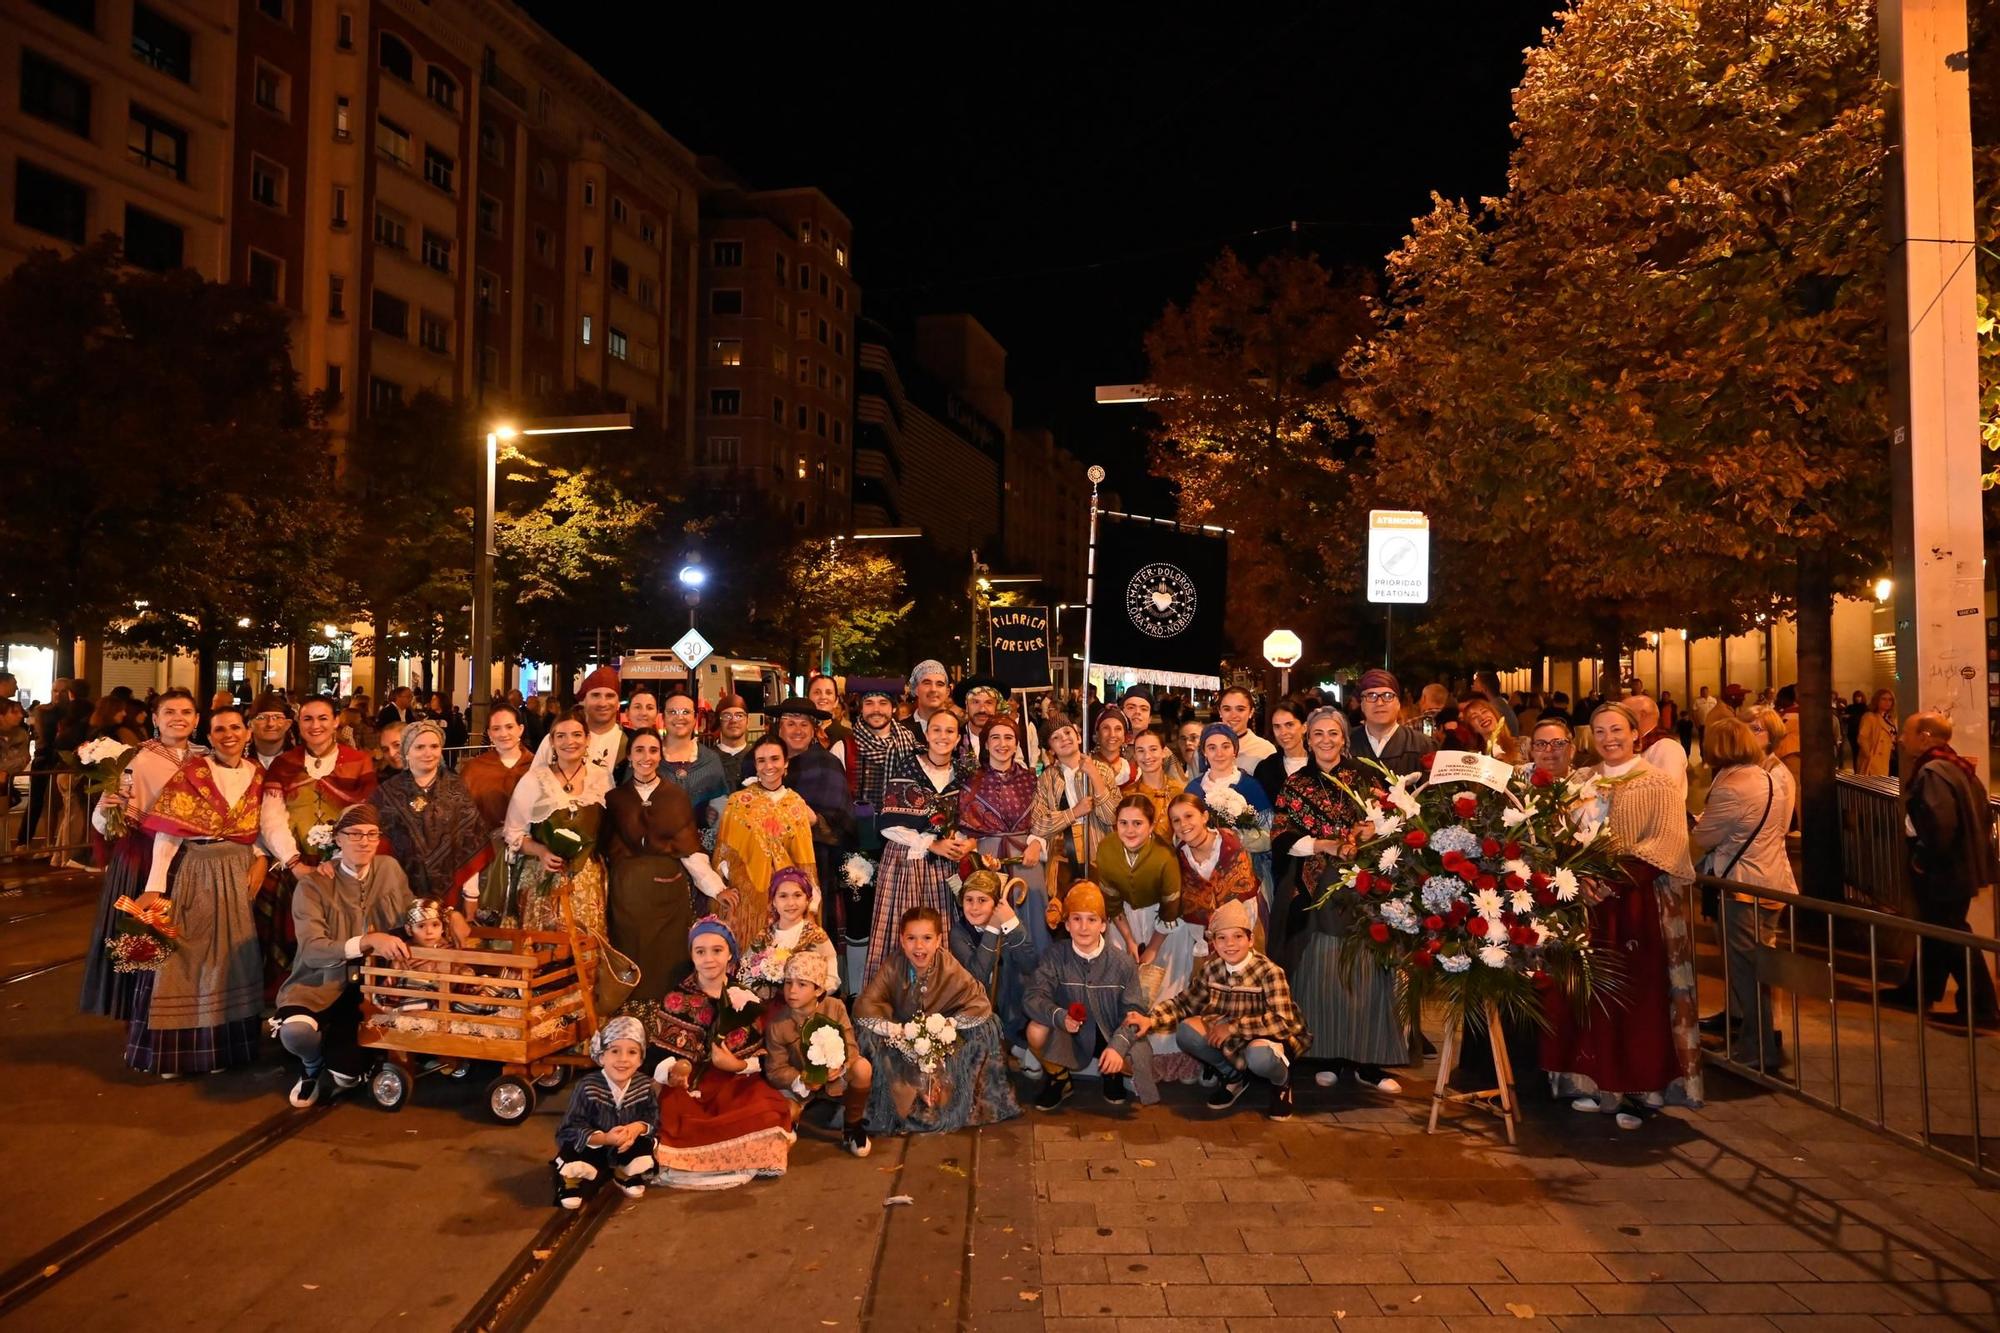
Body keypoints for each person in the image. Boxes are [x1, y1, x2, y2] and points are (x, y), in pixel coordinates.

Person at [1542, 702, 1702, 1129]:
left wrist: (1611, 881)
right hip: (1585, 904)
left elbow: (1665, 843)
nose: (1608, 738)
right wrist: (1577, 876)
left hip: (1635, 905)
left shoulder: (1656, 783)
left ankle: (1638, 1089)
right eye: (1599, 731)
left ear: (1635, 734)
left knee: (1635, 998)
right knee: (1588, 994)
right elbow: (1561, 834)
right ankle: (1596, 1082)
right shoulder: (1581, 781)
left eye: (1617, 730)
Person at [275, 803, 468, 1107]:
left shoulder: (389, 868)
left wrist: (449, 913)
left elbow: (412, 913)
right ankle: (311, 1067)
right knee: (296, 1032)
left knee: (346, 1074)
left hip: (372, 983)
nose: (364, 841)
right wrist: (366, 941)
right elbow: (312, 950)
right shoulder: (314, 885)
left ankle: (348, 1063)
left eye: (371, 834)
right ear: (338, 839)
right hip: (321, 980)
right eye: (354, 834)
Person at [1270, 707, 1407, 1093]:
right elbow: (1281, 836)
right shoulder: (1296, 784)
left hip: (1365, 888)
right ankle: (1327, 1055)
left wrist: (1372, 832)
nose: (1325, 740)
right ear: (1308, 739)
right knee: (1323, 973)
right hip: (1313, 890)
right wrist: (1325, 844)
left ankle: (1369, 1061)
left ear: (1344, 738)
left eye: (1333, 733)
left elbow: (1395, 822)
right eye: (1318, 734)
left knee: (1368, 971)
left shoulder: (1367, 777)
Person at [125, 704, 266, 1075]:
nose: (229, 735)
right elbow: (168, 832)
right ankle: (177, 1054)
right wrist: (155, 886)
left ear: (247, 733)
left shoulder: (257, 773)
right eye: (220, 729)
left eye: (235, 728)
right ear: (210, 736)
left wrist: (261, 858)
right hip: (197, 870)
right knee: (182, 959)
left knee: (229, 961)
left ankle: (220, 1052)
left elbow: (261, 827)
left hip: (237, 872)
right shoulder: (193, 773)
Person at [79, 688, 203, 1020]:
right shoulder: (134, 757)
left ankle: (181, 1012)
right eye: (169, 712)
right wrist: (108, 808)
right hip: (141, 859)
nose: (178, 718)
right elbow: (103, 823)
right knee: (141, 941)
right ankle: (138, 1017)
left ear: (197, 719)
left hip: (192, 859)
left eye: (186, 712)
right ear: (155, 719)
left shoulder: (206, 759)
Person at [649, 918, 796, 1189]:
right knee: (677, 1116)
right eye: (700, 951)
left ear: (730, 954)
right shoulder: (676, 999)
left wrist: (736, 1065)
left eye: (717, 950)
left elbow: (761, 1055)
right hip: (691, 1085)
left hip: (734, 1081)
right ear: (692, 955)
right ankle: (696, 1161)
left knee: (769, 1111)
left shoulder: (745, 998)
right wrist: (675, 1069)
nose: (709, 959)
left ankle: (746, 1154)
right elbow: (657, 1056)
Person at [1131, 897, 1308, 1119]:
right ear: (1213, 942)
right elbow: (1184, 1003)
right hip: (1230, 1038)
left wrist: (1234, 1027)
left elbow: (1283, 1021)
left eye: (1238, 936)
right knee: (1186, 1031)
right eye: (1221, 937)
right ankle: (1233, 1076)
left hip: (1264, 1038)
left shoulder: (1270, 972)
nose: (1230, 944)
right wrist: (1151, 1019)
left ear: (1251, 940)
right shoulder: (1211, 969)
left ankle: (1281, 1082)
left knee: (1258, 1056)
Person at [854, 905, 1020, 1133]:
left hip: (944, 1036)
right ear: (902, 940)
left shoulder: (948, 966)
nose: (919, 946)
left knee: (986, 1028)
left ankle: (955, 1104)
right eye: (911, 938)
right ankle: (898, 1108)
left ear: (939, 940)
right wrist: (895, 1031)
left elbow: (979, 1003)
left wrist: (948, 1027)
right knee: (868, 1036)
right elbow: (865, 1005)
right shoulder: (894, 965)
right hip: (904, 1035)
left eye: (927, 938)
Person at [1693, 715, 1796, 1066]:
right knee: (1759, 967)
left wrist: (1699, 824)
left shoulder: (1732, 786)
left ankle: (1758, 1048)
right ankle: (1759, 1040)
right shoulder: (1768, 777)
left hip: (1742, 885)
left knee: (1746, 970)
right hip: (1772, 880)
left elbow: (1705, 836)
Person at [1884, 712, 2000, 1023]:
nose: (1901, 739)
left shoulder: (1933, 772)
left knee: (1951, 933)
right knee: (1936, 930)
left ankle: (1981, 1006)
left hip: (1945, 868)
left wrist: (1922, 857)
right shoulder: (1957, 766)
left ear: (1925, 736)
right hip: (1960, 864)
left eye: (1907, 733)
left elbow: (1940, 823)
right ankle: (1918, 991)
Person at [602, 730, 726, 1019]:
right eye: (639, 750)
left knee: (667, 966)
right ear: (629, 756)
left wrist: (717, 888)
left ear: (661, 756)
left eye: (653, 750)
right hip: (626, 897)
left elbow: (689, 850)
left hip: (668, 898)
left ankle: (670, 1028)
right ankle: (629, 1030)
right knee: (630, 960)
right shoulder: (615, 798)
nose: (646, 757)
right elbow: (604, 851)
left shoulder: (675, 796)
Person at [1024, 882, 1158, 1110]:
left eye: (1092, 919)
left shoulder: (1123, 962)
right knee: (1036, 1031)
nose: (1084, 927)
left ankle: (1113, 1073)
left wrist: (1118, 1046)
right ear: (1067, 924)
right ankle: (1059, 1078)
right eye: (1076, 919)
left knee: (1138, 1056)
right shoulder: (1055, 955)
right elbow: (1033, 996)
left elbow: (1135, 1013)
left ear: (1104, 925)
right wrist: (1060, 1016)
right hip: (1071, 1035)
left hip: (1111, 1033)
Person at [866, 712, 972, 985]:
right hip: (907, 862)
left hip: (947, 866)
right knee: (906, 927)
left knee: (942, 930)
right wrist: (931, 844)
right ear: (926, 734)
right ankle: (898, 995)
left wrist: (962, 843)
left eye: (949, 731)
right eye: (936, 730)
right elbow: (889, 826)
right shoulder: (907, 769)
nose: (942, 736)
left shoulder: (963, 775)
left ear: (958, 738)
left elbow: (971, 820)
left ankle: (939, 995)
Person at [745, 698, 855, 939]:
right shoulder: (756, 761)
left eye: (804, 724)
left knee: (807, 937)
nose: (798, 730)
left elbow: (844, 825)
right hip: (762, 868)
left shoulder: (828, 765)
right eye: (790, 723)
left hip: (812, 864)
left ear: (814, 730)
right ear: (779, 728)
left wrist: (816, 821)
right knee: (765, 937)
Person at [502, 712, 611, 937]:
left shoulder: (602, 778)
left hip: (586, 881)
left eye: (577, 735)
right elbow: (513, 833)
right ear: (551, 741)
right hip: (541, 878)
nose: (569, 741)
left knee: (584, 946)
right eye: (561, 736)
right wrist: (541, 851)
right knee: (542, 946)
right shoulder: (534, 780)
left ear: (588, 739)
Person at [763, 949, 873, 1156]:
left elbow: (850, 1046)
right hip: (799, 1082)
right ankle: (792, 1121)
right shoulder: (777, 1024)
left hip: (834, 1076)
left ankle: (852, 1126)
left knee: (862, 1068)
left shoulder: (835, 1008)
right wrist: (801, 1080)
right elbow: (775, 1069)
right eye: (788, 983)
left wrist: (840, 1067)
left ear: (818, 989)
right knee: (786, 1111)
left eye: (802, 984)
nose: (792, 991)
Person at [957, 714, 1052, 954]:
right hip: (988, 859)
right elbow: (965, 830)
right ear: (986, 743)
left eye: (1009, 737)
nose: (1002, 743)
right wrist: (977, 855)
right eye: (995, 737)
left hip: (1027, 858)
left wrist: (1038, 845)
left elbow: (1045, 820)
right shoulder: (972, 783)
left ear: (1017, 743)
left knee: (1033, 919)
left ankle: (1034, 976)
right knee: (992, 922)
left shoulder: (1032, 779)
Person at [711, 735, 818, 948]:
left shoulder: (796, 804)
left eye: (775, 759)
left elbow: (805, 859)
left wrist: (811, 903)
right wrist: (721, 889)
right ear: (755, 765)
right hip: (747, 901)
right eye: (761, 760)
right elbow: (724, 855)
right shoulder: (738, 802)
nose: (769, 766)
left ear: (786, 763)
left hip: (787, 900)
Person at [374, 720, 492, 910]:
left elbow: (470, 842)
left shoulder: (457, 789)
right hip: (400, 892)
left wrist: (471, 895)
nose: (428, 753)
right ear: (407, 750)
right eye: (419, 747)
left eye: (434, 746)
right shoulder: (386, 792)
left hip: (452, 894)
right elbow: (372, 838)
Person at [553, 1015, 658, 1209]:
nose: (623, 1059)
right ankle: (570, 1182)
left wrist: (636, 1128)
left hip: (625, 1144)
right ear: (602, 1056)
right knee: (575, 1152)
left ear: (640, 1059)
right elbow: (570, 1127)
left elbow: (652, 1116)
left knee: (644, 1145)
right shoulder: (588, 1086)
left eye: (632, 1052)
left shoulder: (643, 1085)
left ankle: (623, 1172)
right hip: (594, 1145)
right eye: (615, 1051)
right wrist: (604, 1138)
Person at [950, 868, 1040, 1059]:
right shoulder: (959, 933)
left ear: (996, 903)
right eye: (969, 899)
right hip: (977, 1012)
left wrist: (1012, 924)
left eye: (982, 900)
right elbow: (978, 976)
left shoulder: (1009, 922)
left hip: (1013, 1008)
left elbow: (1030, 964)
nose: (974, 907)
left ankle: (1021, 1045)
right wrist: (992, 929)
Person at [458, 702, 533, 923]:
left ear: (521, 729)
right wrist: (470, 888)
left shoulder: (537, 766)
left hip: (529, 858)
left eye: (509, 727)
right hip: (487, 859)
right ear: (489, 733)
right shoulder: (474, 769)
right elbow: (464, 826)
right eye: (496, 728)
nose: (503, 734)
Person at [1033, 717, 1120, 901]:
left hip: (1097, 853)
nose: (1064, 738)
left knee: (1099, 906)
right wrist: (1074, 812)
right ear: (1050, 750)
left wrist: (1094, 776)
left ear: (1079, 737)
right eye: (1056, 737)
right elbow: (1038, 825)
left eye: (1067, 732)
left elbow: (1112, 817)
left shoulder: (1103, 770)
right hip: (1063, 859)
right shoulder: (1046, 779)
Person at [1191, 723, 1274, 903]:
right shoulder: (1193, 789)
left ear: (1235, 750)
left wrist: (1236, 837)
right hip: (1203, 876)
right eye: (1212, 747)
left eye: (1225, 746)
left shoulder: (1251, 786)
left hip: (1247, 873)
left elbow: (1269, 835)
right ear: (1204, 752)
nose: (1219, 753)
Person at [1167, 791, 1263, 945]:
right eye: (1176, 820)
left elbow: (1247, 903)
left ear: (1204, 817)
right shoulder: (1178, 858)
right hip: (1198, 943)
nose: (1183, 824)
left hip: (1240, 939)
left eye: (1189, 816)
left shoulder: (1231, 848)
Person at [737, 866, 840, 1001]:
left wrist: (807, 996)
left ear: (807, 900)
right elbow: (745, 975)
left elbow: (832, 978)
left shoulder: (816, 935)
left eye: (797, 895)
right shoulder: (763, 937)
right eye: (783, 896)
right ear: (774, 902)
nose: (791, 903)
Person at [656, 689, 730, 845]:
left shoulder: (710, 760)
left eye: (686, 712)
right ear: (663, 718)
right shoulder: (649, 758)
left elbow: (720, 811)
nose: (679, 717)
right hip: (656, 847)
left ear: (695, 718)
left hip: (700, 848)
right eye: (672, 712)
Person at [533, 666, 629, 776]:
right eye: (595, 695)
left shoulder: (630, 742)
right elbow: (532, 782)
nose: (603, 703)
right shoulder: (556, 740)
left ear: (618, 703)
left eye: (610, 696)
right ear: (583, 701)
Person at [1353, 669, 1436, 776]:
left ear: (1398, 704)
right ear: (1362, 705)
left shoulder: (1423, 745)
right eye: (1371, 696)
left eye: (1388, 696)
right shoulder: (1346, 744)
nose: (1379, 703)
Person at [1123, 726, 1185, 839]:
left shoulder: (1179, 791)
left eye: (1153, 749)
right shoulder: (1128, 795)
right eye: (1141, 751)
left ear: (1164, 752)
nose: (1147, 756)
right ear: (1135, 756)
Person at [1627, 694, 1688, 805]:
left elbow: (1666, 795)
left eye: (1625, 713)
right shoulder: (1638, 744)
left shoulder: (1667, 748)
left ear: (1641, 715)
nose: (1618, 718)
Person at [1251, 702, 1310, 803]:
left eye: (1289, 725)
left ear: (1304, 727)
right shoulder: (1265, 768)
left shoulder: (1320, 764)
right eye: (1277, 727)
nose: (1283, 732)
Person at [1216, 687, 1276, 767]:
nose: (1233, 715)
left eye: (1240, 709)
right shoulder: (1209, 746)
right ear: (1220, 712)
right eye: (1227, 709)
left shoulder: (1265, 749)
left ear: (1251, 712)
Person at [1457, 696, 1523, 766]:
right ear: (1473, 729)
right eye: (1474, 717)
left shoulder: (1524, 744)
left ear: (1495, 714)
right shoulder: (1474, 757)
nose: (1482, 718)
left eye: (1484, 711)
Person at [0, 698, 29, 854]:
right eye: (14, 712)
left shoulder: (21, 734)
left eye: (20, 712)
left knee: (2, 818)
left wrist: (5, 771)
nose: (20, 715)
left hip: (4, 785)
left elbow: (24, 759)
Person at [246, 692, 294, 770]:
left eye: (278, 717)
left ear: (287, 724)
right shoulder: (238, 759)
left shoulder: (300, 760)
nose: (270, 724)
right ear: (250, 724)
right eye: (262, 718)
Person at [1856, 689, 1898, 778]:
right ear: (1877, 700)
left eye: (1890, 700)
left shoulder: (1890, 718)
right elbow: (1862, 738)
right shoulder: (1870, 717)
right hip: (1876, 758)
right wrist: (1869, 756)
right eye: (1884, 699)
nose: (1887, 702)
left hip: (1891, 756)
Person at [1091, 708, 1136, 787]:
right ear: (1097, 734)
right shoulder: (1086, 766)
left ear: (1124, 736)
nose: (1112, 735)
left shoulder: (1132, 771)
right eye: (1106, 728)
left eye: (1118, 729)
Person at [1525, 716, 1577, 783]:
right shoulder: (1517, 777)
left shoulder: (1586, 785)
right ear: (1532, 751)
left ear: (1572, 751)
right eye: (1541, 744)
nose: (1549, 749)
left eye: (1558, 743)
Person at [709, 693, 752, 765]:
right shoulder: (706, 758)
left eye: (739, 716)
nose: (733, 721)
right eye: (727, 716)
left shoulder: (757, 756)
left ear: (748, 720)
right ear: (719, 722)